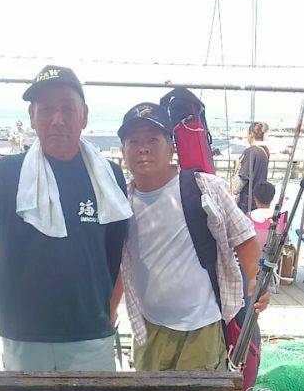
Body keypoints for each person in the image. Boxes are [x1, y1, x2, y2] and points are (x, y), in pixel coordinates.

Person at [0, 65, 132, 371]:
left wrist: (106, 310)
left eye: (67, 109)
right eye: (46, 110)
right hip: (25, 335)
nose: (57, 119)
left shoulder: (108, 176)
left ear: (83, 116)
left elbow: (113, 250)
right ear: (32, 117)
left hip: (89, 334)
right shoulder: (8, 173)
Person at [113, 102, 269, 372]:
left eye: (153, 139)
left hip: (201, 327)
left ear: (171, 146)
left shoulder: (203, 186)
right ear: (123, 151)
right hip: (149, 327)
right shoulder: (120, 203)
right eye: (133, 141)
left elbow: (243, 236)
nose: (143, 148)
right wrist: (110, 310)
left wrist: (256, 280)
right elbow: (119, 263)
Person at [233, 122, 269, 213]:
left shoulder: (251, 151)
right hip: (257, 199)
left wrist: (237, 167)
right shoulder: (265, 150)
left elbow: (241, 179)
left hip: (246, 202)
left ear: (251, 134)